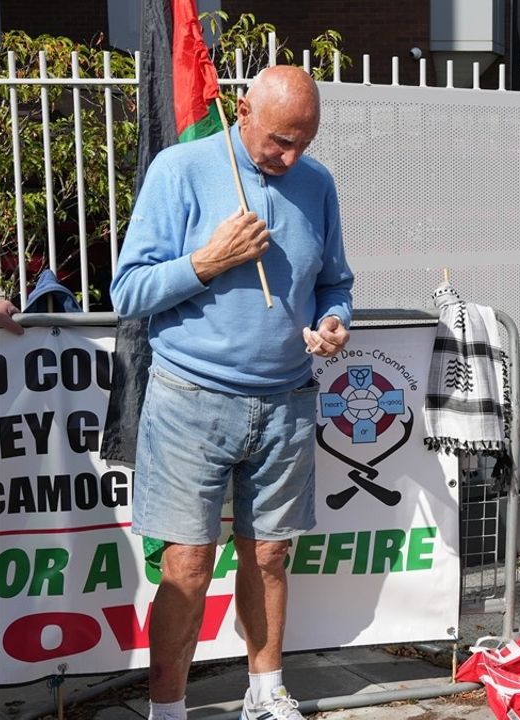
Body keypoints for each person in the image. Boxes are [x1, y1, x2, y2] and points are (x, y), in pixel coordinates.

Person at [110, 65, 354, 720]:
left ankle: (267, 691)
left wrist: (335, 324)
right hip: (190, 398)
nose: (291, 157)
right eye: (279, 140)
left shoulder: (317, 183)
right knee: (186, 567)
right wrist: (207, 261)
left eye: (304, 141)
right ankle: (167, 709)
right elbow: (127, 291)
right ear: (241, 110)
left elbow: (335, 283)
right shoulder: (180, 170)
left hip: (287, 398)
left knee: (271, 555)